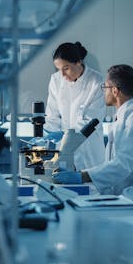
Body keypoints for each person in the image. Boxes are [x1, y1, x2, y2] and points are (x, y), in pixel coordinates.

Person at [53, 64, 133, 212]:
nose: (103, 92)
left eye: (104, 87)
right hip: (128, 191)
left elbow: (124, 163)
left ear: (115, 90)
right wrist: (83, 176)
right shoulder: (123, 115)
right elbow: (114, 164)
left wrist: (82, 176)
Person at [44, 42, 106, 170]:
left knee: (89, 186)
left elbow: (91, 122)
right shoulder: (56, 80)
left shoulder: (96, 82)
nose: (62, 75)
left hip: (88, 151)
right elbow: (52, 115)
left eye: (66, 68)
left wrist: (63, 134)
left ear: (79, 62)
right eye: (58, 69)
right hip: (63, 150)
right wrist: (46, 135)